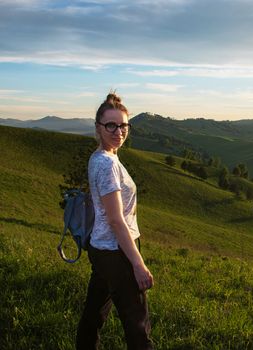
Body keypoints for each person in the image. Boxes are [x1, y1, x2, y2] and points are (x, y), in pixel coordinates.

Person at [76, 92, 154, 350]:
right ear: (98, 127)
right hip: (117, 250)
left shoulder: (100, 156)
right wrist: (138, 263)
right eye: (111, 125)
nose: (119, 131)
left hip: (100, 248)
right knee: (137, 323)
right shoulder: (107, 164)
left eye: (123, 125)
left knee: (94, 311)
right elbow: (116, 220)